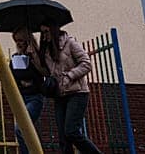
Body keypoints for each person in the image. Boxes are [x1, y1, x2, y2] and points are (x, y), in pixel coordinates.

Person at [39, 23, 103, 154]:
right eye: (42, 32)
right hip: (60, 95)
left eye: (46, 31)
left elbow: (86, 63)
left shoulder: (70, 43)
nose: (45, 35)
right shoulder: (46, 50)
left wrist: (70, 75)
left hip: (77, 92)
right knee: (63, 137)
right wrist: (33, 53)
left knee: (71, 131)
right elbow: (46, 71)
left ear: (54, 30)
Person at [11, 27, 45, 154]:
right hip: (21, 98)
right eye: (16, 41)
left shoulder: (36, 57)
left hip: (34, 97)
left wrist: (32, 57)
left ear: (27, 41)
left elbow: (38, 77)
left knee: (20, 129)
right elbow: (14, 76)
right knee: (29, 131)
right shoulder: (15, 58)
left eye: (21, 40)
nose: (18, 44)